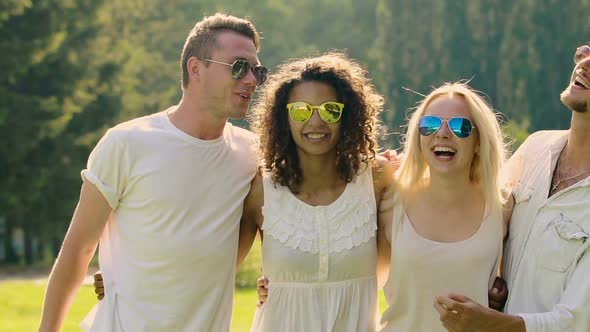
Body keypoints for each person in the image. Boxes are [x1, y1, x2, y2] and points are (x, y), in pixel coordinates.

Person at [39, 13, 267, 332]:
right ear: (196, 68)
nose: (252, 80)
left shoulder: (252, 154)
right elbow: (78, 250)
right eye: (240, 67)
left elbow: (254, 224)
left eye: (257, 71)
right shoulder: (127, 142)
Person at [433, 44, 590, 332]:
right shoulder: (535, 147)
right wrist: (495, 276)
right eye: (586, 50)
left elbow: (575, 321)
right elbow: (486, 213)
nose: (584, 59)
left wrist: (488, 323)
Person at [236, 51, 395, 332]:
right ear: (283, 119)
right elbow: (215, 270)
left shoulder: (378, 179)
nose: (316, 121)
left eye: (330, 110)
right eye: (301, 110)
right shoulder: (261, 189)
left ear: (348, 116)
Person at [376, 82, 510, 331]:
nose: (443, 134)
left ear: (480, 141)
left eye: (460, 127)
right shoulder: (389, 201)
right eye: (430, 125)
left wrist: (499, 299)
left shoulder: (503, 206)